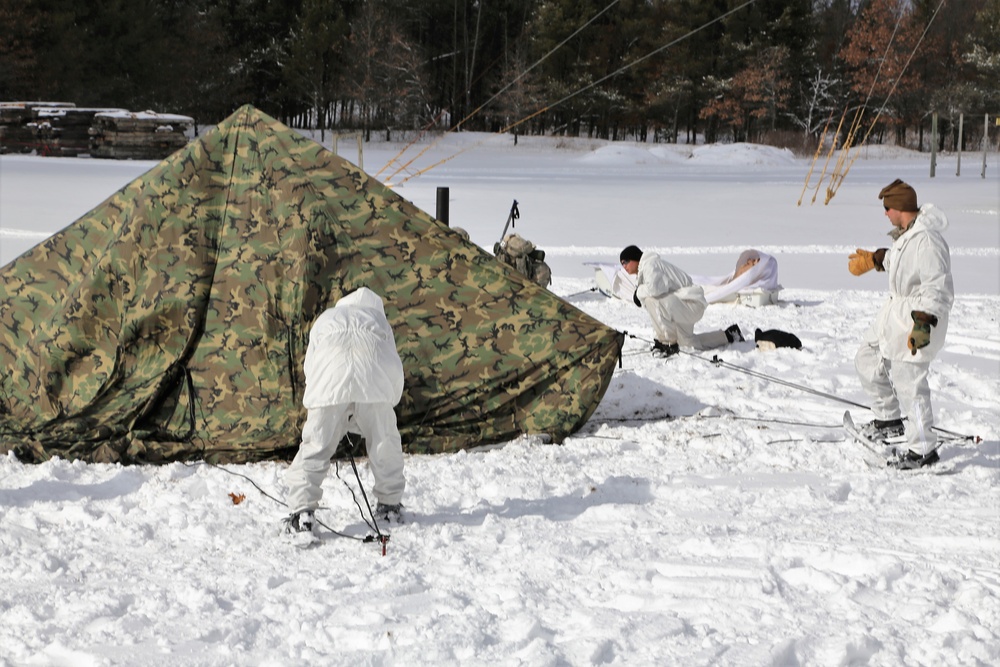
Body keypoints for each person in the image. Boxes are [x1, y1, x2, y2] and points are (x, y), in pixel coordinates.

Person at [283, 287, 407, 535]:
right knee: (385, 440)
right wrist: (386, 401)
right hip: (375, 377)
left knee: (316, 444)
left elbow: (311, 364)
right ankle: (390, 504)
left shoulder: (327, 317)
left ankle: (302, 513)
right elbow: (393, 364)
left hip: (329, 376)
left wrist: (322, 399)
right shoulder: (378, 320)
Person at [849, 179, 954, 470]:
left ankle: (923, 450)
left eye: (887, 208)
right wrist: (877, 258)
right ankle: (888, 420)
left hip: (919, 319)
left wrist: (923, 324)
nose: (885, 214)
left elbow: (938, 287)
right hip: (896, 312)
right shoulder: (908, 234)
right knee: (867, 357)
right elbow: (900, 259)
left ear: (900, 208)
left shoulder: (928, 241)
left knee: (911, 385)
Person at [620, 245, 743, 357]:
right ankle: (729, 335)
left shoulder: (650, 265)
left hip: (689, 303)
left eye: (625, 262)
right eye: (622, 264)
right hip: (684, 304)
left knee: (651, 300)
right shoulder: (646, 269)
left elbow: (655, 290)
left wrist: (638, 292)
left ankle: (667, 343)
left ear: (635, 258)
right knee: (688, 345)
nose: (624, 266)